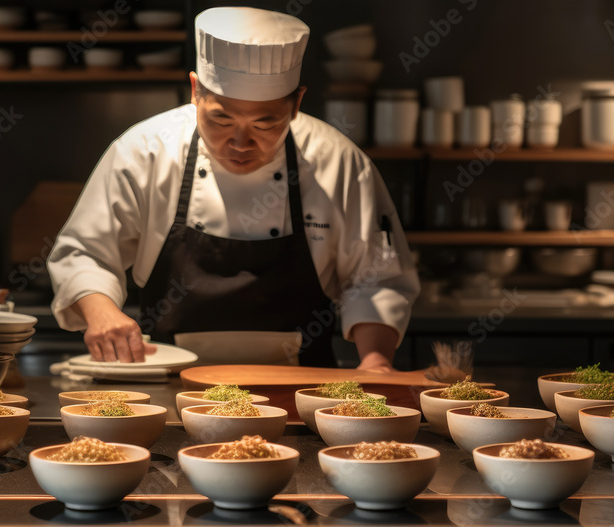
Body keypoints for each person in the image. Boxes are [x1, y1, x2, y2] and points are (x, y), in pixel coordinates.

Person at [48, 6, 419, 372]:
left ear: (296, 105)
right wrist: (101, 312)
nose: (240, 143)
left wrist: (375, 363)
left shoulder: (337, 162)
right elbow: (84, 252)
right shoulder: (144, 151)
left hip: (300, 392)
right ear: (195, 91)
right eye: (221, 118)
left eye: (265, 124)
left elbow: (377, 277)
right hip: (166, 389)